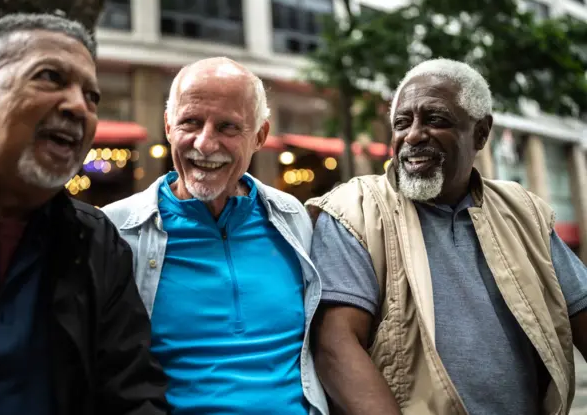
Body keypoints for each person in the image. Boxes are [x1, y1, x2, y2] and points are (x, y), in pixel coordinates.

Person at [306, 58, 587, 415]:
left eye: (435, 119)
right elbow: (335, 346)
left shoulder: (523, 212)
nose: (413, 135)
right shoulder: (353, 210)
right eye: (401, 123)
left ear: (481, 133)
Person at [0, 13, 168, 415]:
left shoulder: (99, 243)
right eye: (50, 77)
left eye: (92, 96)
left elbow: (133, 396)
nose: (78, 107)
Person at [102, 57, 329, 415]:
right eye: (190, 122)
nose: (205, 144)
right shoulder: (115, 231)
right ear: (167, 126)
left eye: (227, 127)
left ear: (260, 136)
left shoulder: (292, 218)